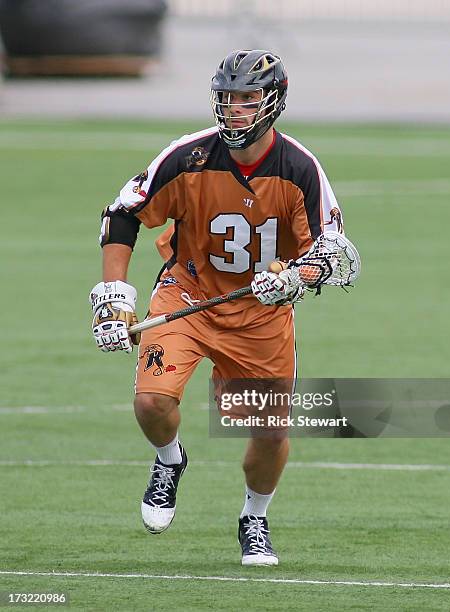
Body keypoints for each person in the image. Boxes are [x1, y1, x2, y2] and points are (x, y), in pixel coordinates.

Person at [89, 49, 343, 566]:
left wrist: (296, 277)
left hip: (261, 316)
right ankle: (169, 459)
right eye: (227, 99)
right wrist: (114, 296)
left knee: (269, 432)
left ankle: (254, 517)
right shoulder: (188, 157)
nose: (234, 111)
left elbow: (336, 253)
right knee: (150, 403)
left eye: (247, 100)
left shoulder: (300, 168)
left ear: (273, 103)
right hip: (188, 296)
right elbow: (122, 214)